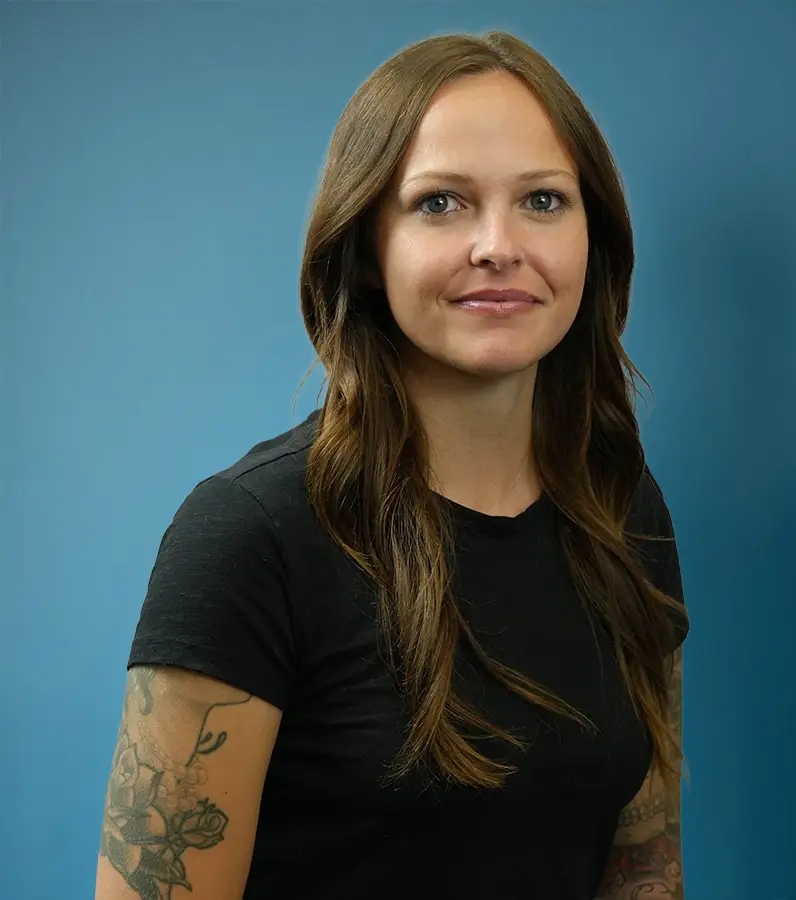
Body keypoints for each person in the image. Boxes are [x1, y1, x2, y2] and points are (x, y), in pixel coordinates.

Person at [94, 29, 690, 900]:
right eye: (441, 203)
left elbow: (647, 872)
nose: (498, 244)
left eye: (544, 201)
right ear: (367, 247)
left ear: (593, 241)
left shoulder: (621, 508)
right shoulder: (251, 538)